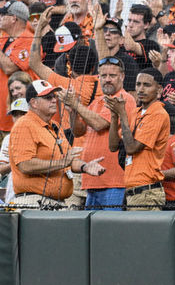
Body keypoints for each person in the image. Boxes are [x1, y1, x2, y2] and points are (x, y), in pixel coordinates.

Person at [8, 80, 105, 208]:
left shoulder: (55, 126)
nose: (54, 100)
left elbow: (69, 160)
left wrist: (85, 167)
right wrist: (62, 163)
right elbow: (25, 165)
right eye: (48, 97)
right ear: (34, 102)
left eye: (54, 96)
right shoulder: (24, 125)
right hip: (34, 202)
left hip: (55, 203)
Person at [64, 56, 137, 210]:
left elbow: (99, 124)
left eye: (112, 75)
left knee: (111, 230)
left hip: (114, 182)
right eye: (103, 76)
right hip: (93, 180)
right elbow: (78, 131)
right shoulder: (97, 102)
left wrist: (76, 104)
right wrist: (72, 112)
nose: (107, 80)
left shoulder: (124, 99)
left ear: (122, 77)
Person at [106, 68, 170, 211]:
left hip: (147, 192)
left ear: (159, 89)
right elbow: (113, 146)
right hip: (132, 191)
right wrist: (114, 115)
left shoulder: (158, 113)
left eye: (147, 85)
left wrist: (122, 113)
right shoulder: (136, 112)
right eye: (138, 84)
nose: (141, 89)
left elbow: (132, 148)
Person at [0, 1, 36, 136]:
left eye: (3, 14)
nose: (0, 17)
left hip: (16, 114)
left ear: (14, 18)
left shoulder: (28, 39)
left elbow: (10, 67)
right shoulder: (4, 39)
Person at [93, 16, 140, 93]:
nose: (108, 33)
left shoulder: (128, 62)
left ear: (121, 40)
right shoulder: (95, 58)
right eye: (104, 30)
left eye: (113, 31)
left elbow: (132, 94)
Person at [0, 98, 29, 204]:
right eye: (15, 114)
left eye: (22, 113)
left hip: (34, 189)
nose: (18, 118)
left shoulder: (39, 134)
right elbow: (1, 169)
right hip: (14, 190)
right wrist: (15, 160)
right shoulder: (8, 138)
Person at [123, 4, 162, 70]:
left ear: (146, 25)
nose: (130, 25)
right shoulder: (121, 43)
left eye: (136, 22)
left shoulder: (151, 45)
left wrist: (122, 24)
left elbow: (130, 46)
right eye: (129, 20)